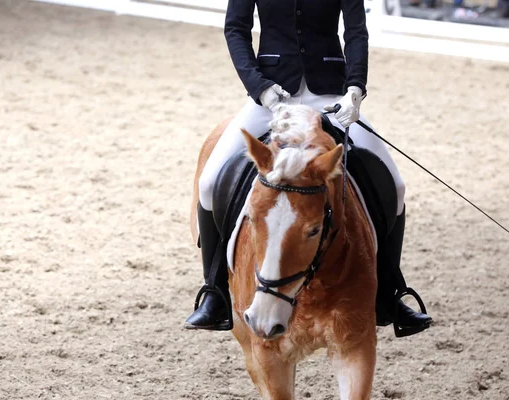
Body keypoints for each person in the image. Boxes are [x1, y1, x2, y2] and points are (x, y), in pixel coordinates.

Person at [184, 0, 433, 336]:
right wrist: (260, 88)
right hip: (272, 94)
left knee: (397, 186)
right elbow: (236, 30)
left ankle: (390, 293)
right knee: (210, 182)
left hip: (330, 95)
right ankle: (214, 294)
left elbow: (356, 31)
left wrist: (354, 90)